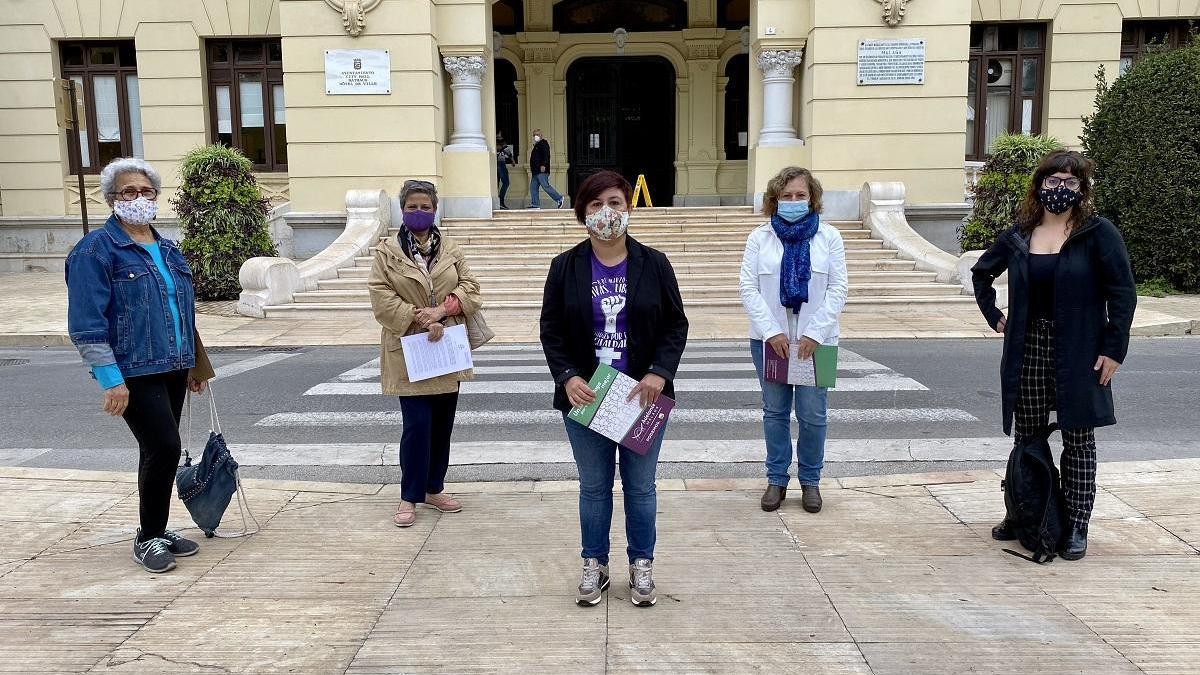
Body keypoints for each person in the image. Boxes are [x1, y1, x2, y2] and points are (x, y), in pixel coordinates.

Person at [972, 150, 1136, 561]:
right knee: (1027, 435)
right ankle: (1024, 512)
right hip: (1028, 347)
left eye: (1070, 181)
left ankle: (1077, 523)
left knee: (1078, 438)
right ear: (1039, 184)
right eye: (1052, 180)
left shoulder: (1098, 234)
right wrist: (994, 315)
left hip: (1080, 350)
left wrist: (1113, 349)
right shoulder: (1019, 234)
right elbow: (982, 273)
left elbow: (1122, 293)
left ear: (1082, 189)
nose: (1060, 188)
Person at [540, 170, 689, 608]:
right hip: (586, 397)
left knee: (641, 488)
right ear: (582, 215)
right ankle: (595, 564)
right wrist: (568, 376)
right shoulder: (565, 267)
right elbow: (551, 329)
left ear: (629, 208)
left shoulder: (654, 263)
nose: (606, 213)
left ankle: (642, 564)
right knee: (594, 488)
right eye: (595, 206)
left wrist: (659, 372)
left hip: (641, 396)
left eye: (615, 203)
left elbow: (675, 325)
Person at [65, 157, 208, 574]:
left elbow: (182, 311)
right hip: (133, 368)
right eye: (129, 191)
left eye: (147, 191)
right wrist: (111, 380)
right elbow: (87, 322)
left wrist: (193, 366)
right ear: (112, 199)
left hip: (172, 364)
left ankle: (158, 529)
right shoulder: (95, 250)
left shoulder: (167, 247)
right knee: (162, 446)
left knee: (162, 450)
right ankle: (147, 538)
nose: (139, 198)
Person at [368, 180, 483, 528]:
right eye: (413, 207)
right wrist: (418, 316)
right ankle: (409, 495)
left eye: (426, 207)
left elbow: (471, 288)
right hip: (409, 350)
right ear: (402, 210)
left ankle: (434, 487)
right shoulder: (386, 252)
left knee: (442, 425)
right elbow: (380, 296)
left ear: (435, 210)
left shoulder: (450, 248)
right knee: (417, 426)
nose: (420, 213)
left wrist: (443, 312)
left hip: (446, 348)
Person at [740, 166, 848, 514]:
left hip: (817, 342)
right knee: (775, 412)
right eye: (786, 196)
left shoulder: (829, 237)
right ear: (774, 200)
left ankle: (811, 481)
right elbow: (748, 288)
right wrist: (771, 331)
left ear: (812, 198)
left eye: (800, 195)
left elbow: (837, 287)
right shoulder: (760, 238)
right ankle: (776, 479)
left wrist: (815, 333)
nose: (793, 201)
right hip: (771, 341)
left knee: (813, 414)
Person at [528, 128, 565, 209]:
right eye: (534, 135)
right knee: (533, 188)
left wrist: (543, 165)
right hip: (536, 171)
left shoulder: (543, 143)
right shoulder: (537, 145)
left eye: (537, 135)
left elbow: (546, 155)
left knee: (545, 186)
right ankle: (535, 205)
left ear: (541, 135)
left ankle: (559, 198)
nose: (535, 136)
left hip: (541, 170)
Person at [496, 133, 517, 209]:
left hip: (493, 164)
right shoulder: (500, 140)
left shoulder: (490, 139)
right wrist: (513, 160)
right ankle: (500, 202)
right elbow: (506, 150)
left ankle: (497, 202)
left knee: (496, 184)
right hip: (500, 164)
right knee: (506, 183)